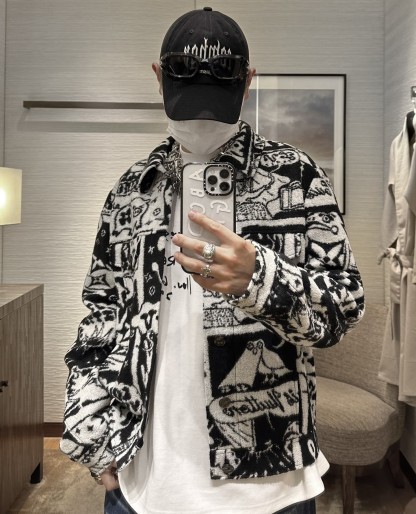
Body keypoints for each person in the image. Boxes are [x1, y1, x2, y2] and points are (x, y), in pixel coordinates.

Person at [60, 7, 365, 514]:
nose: (201, 118)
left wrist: (261, 279)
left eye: (215, 100)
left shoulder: (296, 177)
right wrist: (91, 427)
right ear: (158, 77)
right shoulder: (132, 190)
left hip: (271, 479)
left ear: (247, 83)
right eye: (188, 97)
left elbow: (344, 308)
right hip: (144, 475)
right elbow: (102, 315)